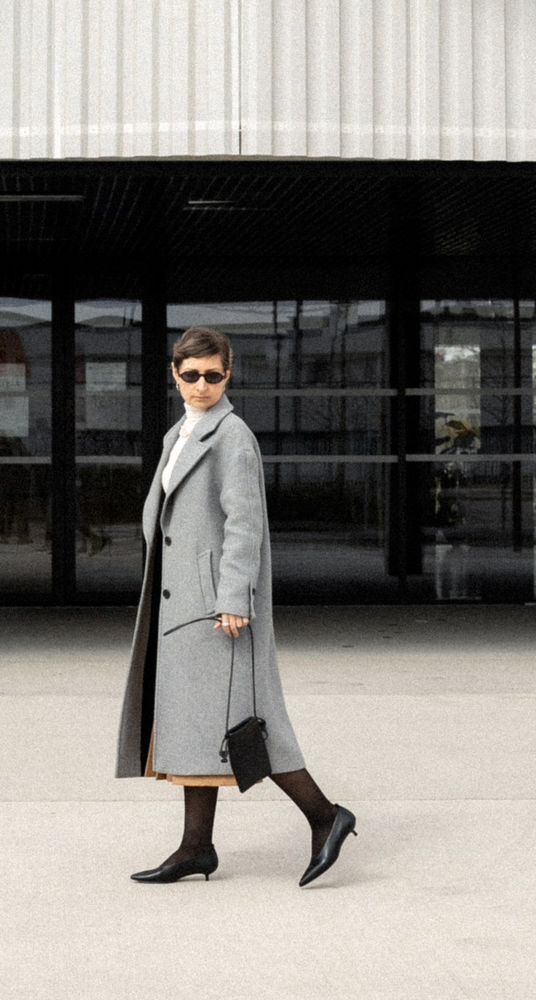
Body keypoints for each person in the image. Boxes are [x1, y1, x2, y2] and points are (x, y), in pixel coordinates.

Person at [114, 326, 359, 886]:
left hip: (215, 611)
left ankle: (325, 816)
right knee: (199, 725)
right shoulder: (180, 432)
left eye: (213, 374)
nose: (202, 384)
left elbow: (243, 525)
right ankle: (196, 847)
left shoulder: (232, 436)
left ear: (229, 374)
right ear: (174, 374)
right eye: (191, 374)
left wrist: (233, 598)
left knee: (245, 725)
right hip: (182, 607)